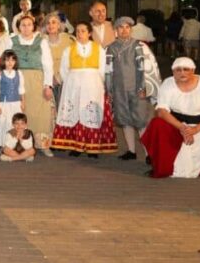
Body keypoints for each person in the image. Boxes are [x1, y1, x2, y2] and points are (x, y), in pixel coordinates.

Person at [141, 57, 200, 178]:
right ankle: (161, 166)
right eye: (178, 70)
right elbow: (161, 111)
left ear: (193, 71)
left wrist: (195, 129)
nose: (182, 73)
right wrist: (182, 128)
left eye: (186, 69)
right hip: (176, 125)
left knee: (191, 170)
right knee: (157, 123)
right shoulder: (168, 83)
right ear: (173, 72)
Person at [51, 22, 117, 157]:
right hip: (73, 86)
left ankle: (93, 147)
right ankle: (76, 146)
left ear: (89, 33)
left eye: (83, 31)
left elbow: (102, 70)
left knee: (91, 113)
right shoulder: (69, 50)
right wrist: (71, 82)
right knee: (75, 113)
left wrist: (97, 83)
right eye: (77, 31)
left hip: (93, 86)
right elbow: (64, 69)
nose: (80, 34)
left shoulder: (98, 49)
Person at [106, 16, 161, 161]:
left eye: (127, 27)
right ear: (116, 30)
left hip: (137, 90)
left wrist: (143, 87)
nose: (124, 30)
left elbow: (143, 68)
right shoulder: (111, 47)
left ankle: (148, 153)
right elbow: (108, 71)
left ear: (130, 29)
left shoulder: (138, 46)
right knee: (125, 121)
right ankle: (131, 151)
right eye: (121, 27)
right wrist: (109, 90)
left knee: (141, 121)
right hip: (119, 91)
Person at [9, 15, 55, 156]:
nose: (26, 27)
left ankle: (43, 145)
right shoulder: (12, 41)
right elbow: (5, 59)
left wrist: (48, 85)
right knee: (20, 112)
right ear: (19, 27)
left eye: (29, 24)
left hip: (37, 80)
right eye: (23, 25)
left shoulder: (41, 42)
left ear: (33, 26)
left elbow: (48, 64)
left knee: (41, 113)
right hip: (17, 79)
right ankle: (20, 144)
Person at [0, 51, 25, 149]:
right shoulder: (0, 74)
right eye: (7, 60)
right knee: (5, 123)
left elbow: (21, 89)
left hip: (16, 103)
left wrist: (23, 102)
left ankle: (15, 144)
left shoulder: (19, 73)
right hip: (4, 104)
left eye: (12, 60)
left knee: (15, 123)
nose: (10, 62)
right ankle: (5, 145)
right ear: (3, 61)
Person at [44, 13, 76, 107]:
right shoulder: (41, 41)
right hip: (47, 82)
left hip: (66, 80)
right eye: (48, 23)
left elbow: (73, 60)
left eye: (54, 22)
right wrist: (50, 78)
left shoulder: (69, 40)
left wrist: (59, 78)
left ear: (59, 25)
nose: (50, 25)